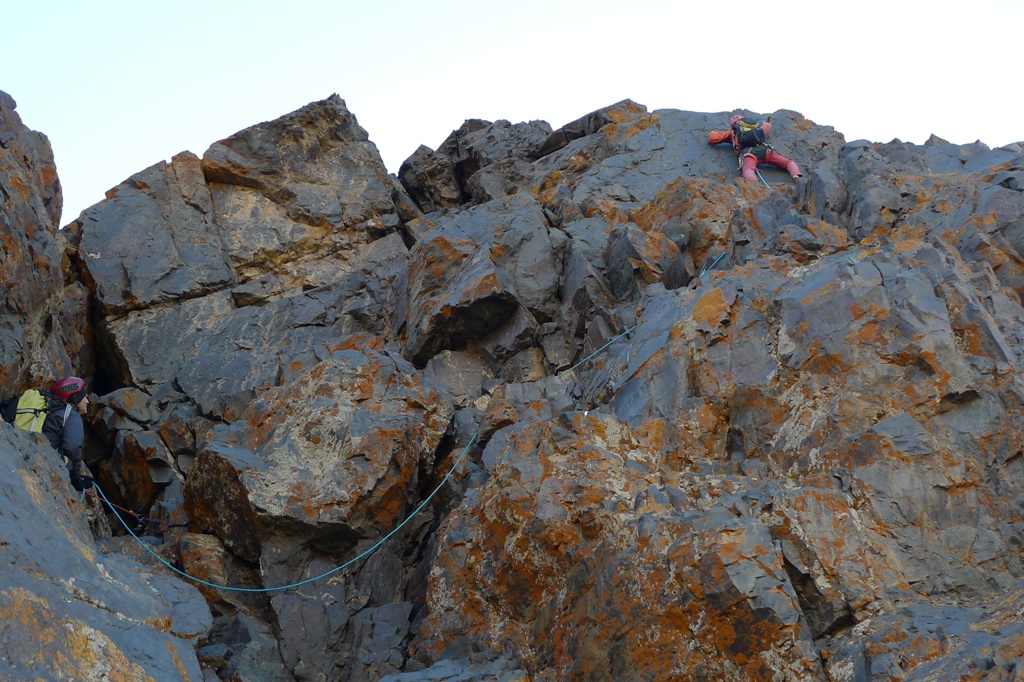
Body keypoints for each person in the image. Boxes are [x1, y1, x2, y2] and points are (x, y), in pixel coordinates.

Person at [1, 376, 93, 492]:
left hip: (14, 445)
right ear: (75, 397)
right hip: (41, 460)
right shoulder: (71, 415)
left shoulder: (47, 406)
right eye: (84, 397)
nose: (87, 401)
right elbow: (72, 447)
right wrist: (76, 479)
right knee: (68, 463)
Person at [708, 115, 803, 181]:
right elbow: (766, 128)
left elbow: (713, 138)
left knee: (748, 170)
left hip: (749, 154)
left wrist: (711, 133)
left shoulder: (732, 133)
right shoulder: (756, 128)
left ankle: (755, 185)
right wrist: (767, 123)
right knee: (788, 162)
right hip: (764, 150)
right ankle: (797, 176)